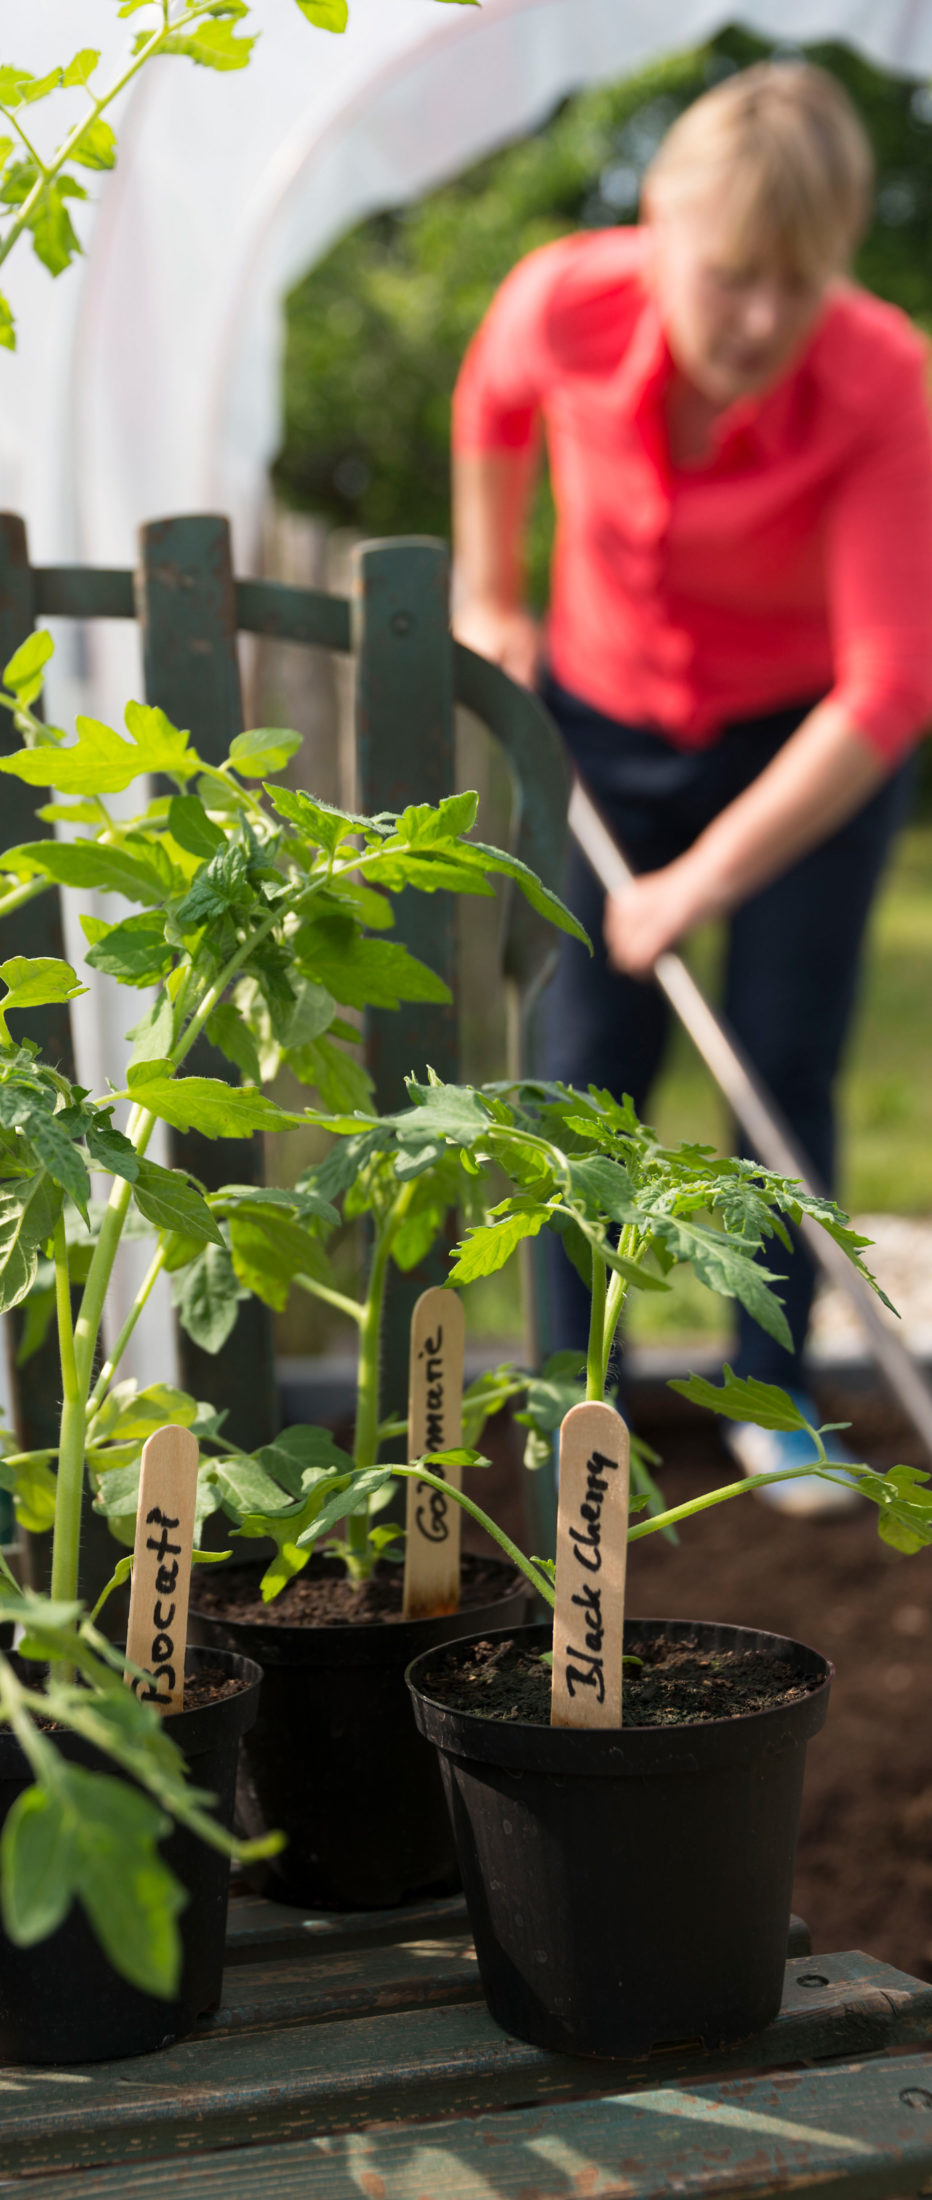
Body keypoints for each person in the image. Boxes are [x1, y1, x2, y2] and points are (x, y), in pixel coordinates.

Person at [451, 61, 932, 1516]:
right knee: (578, 1072)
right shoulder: (561, 300)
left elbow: (891, 689)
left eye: (799, 282)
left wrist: (697, 883)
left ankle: (773, 1398)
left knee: (783, 1064)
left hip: (804, 754)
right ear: (659, 227)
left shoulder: (882, 378)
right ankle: (564, 1387)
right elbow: (492, 407)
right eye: (731, 278)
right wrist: (493, 595)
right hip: (599, 723)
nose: (763, 322)